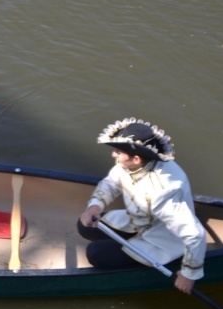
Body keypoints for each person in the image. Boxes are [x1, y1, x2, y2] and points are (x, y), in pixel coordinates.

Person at [77, 118, 206, 294]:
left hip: (161, 240)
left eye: (118, 152)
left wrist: (189, 274)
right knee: (84, 225)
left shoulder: (162, 193)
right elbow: (111, 183)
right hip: (138, 221)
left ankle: (128, 261)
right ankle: (122, 248)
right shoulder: (131, 164)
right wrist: (94, 207)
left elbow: (195, 234)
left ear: (136, 159)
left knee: (95, 253)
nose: (113, 155)